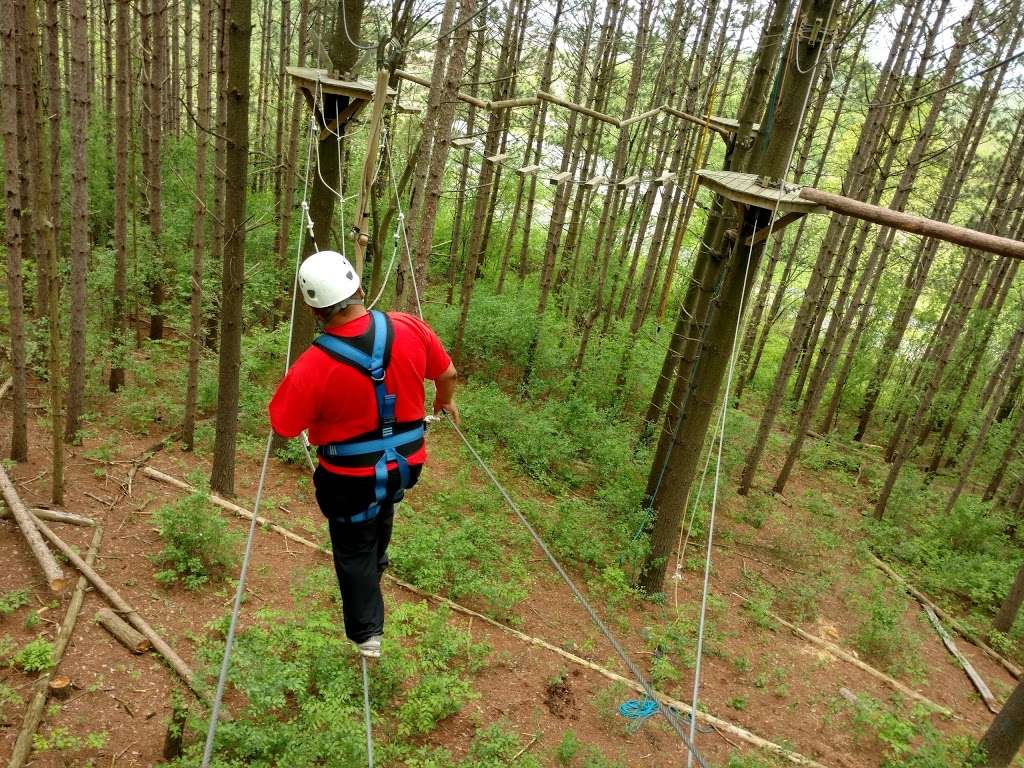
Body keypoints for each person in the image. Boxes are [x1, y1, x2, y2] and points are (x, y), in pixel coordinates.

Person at [268, 250, 458, 658]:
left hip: (348, 478)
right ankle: (379, 560)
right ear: (357, 288)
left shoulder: (312, 365)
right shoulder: (409, 327)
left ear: (315, 311)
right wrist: (443, 403)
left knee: (354, 543)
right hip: (406, 464)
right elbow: (447, 374)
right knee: (384, 496)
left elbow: (283, 425)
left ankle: (366, 634)